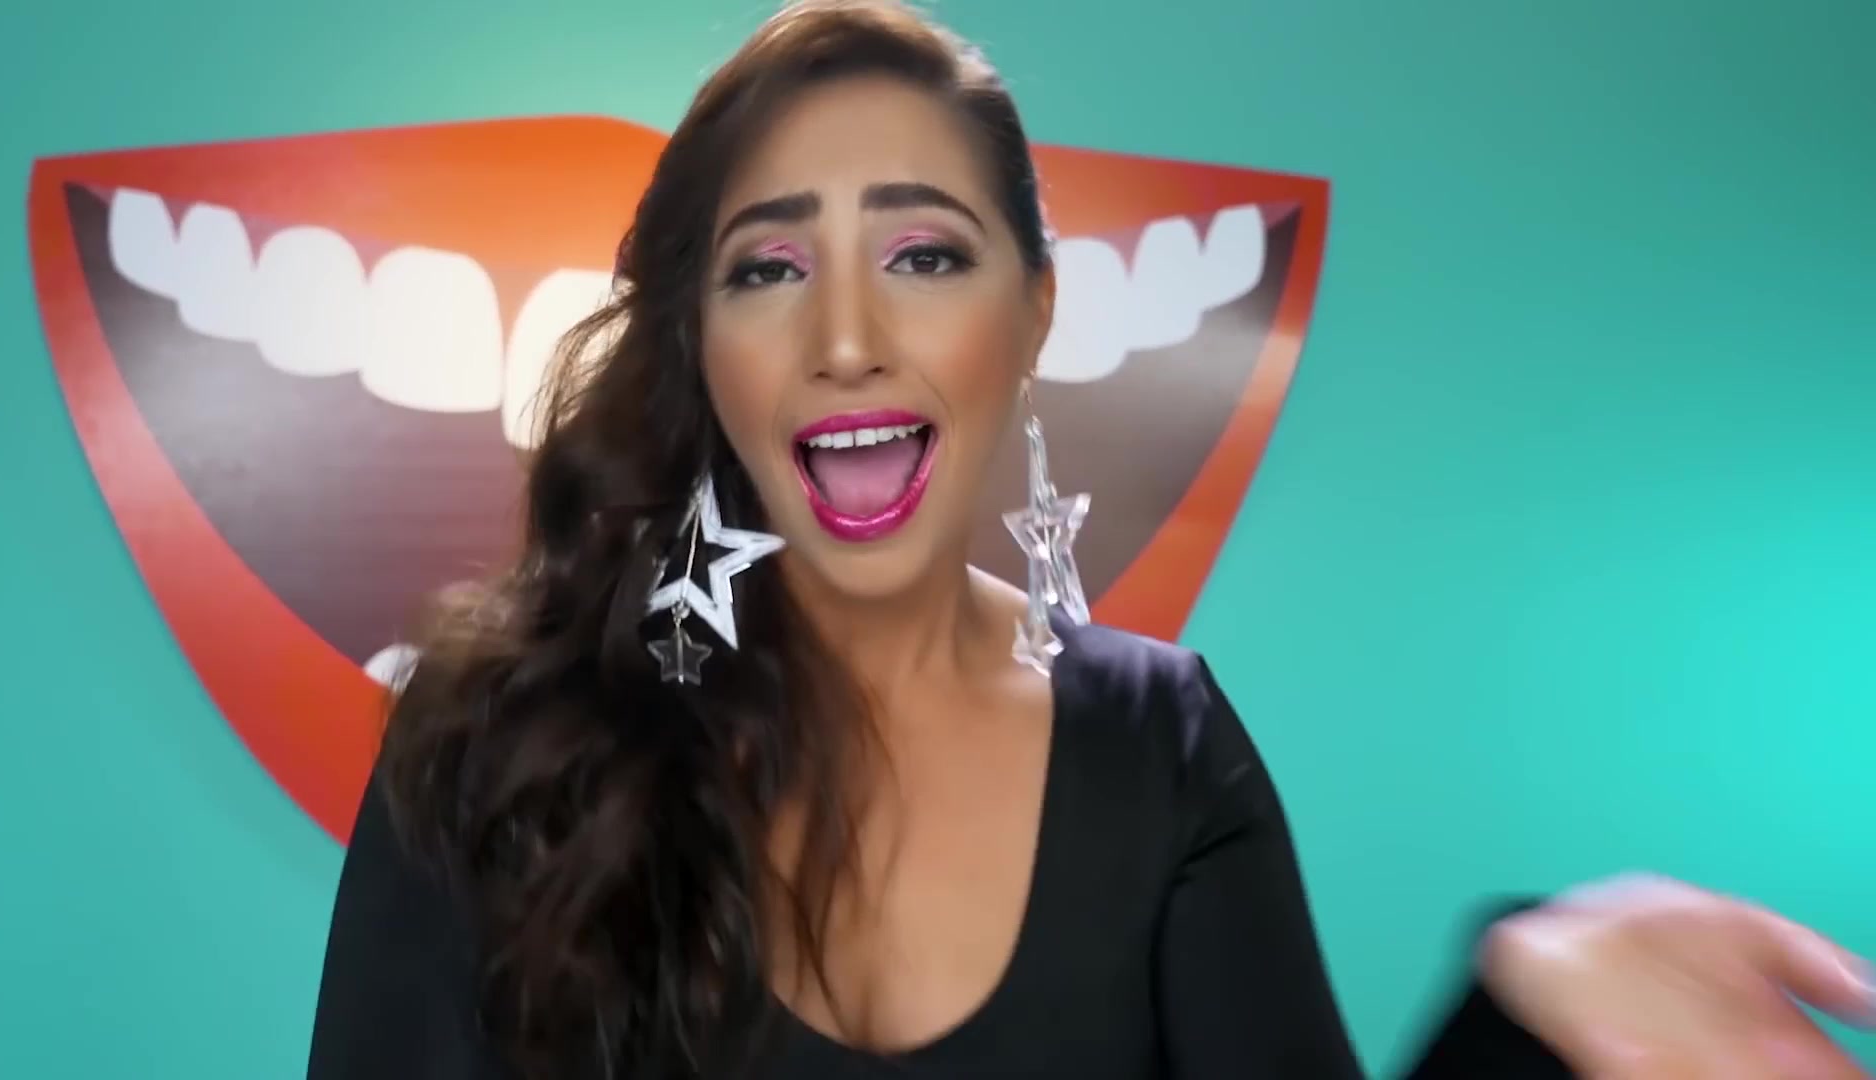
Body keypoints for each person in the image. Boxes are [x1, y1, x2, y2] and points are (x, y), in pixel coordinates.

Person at [305, 2, 1875, 1077]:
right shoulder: (497, 744)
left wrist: (1527, 1022)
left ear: (1033, 313)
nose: (845, 338)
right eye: (768, 270)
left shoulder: (1158, 749)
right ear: (699, 344)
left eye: (925, 254)